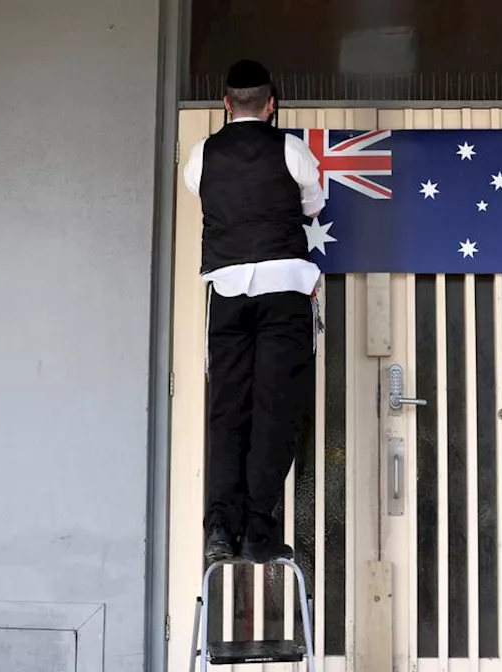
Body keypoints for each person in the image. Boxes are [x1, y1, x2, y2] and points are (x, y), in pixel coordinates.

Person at [182, 59, 325, 564]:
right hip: (283, 291)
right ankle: (258, 530)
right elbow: (313, 205)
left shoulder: (202, 154)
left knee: (228, 409)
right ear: (271, 105)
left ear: (225, 104)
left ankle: (220, 528)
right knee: (274, 408)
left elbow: (202, 193)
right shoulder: (290, 149)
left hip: (227, 291)